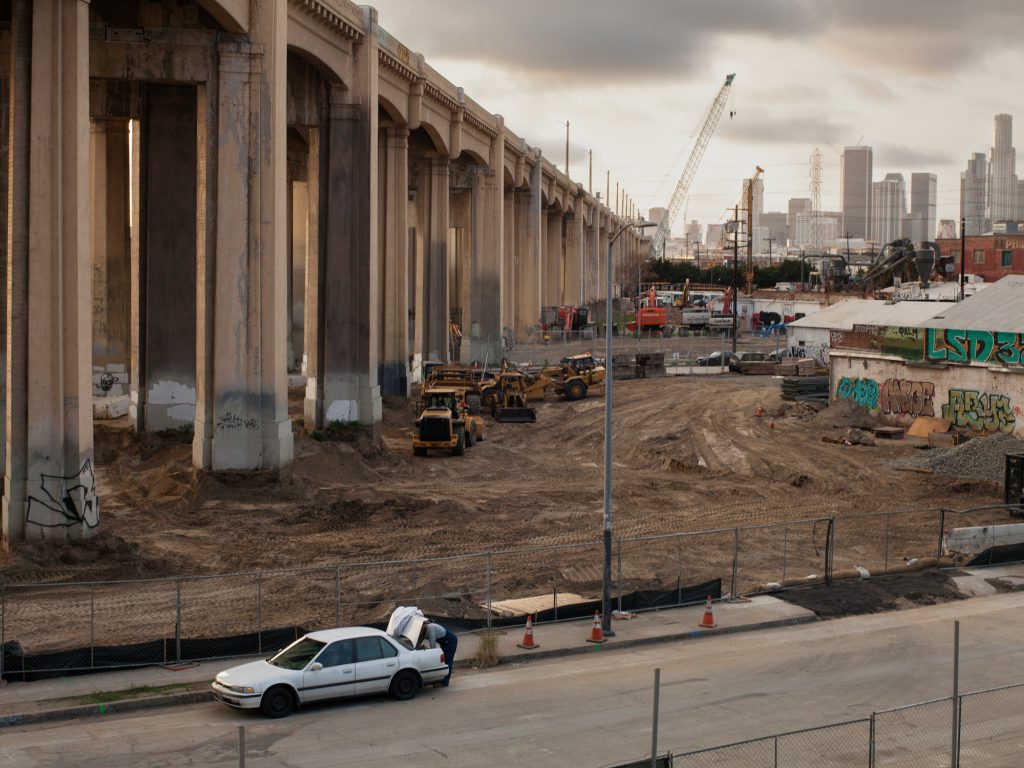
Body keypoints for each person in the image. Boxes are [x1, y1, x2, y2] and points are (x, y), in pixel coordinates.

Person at [423, 620, 457, 687]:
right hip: (445, 642)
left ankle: (445, 682)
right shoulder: (427, 628)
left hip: (450, 641)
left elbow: (432, 646)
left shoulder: (430, 628)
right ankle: (441, 679)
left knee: (447, 661)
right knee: (443, 661)